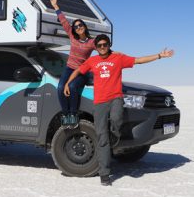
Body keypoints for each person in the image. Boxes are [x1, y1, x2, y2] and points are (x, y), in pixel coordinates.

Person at [64, 34, 174, 186]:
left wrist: (160, 55)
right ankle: (104, 174)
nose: (102, 47)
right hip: (100, 103)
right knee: (102, 139)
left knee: (117, 119)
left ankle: (114, 136)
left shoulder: (118, 58)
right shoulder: (92, 61)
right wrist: (67, 83)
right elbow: (78, 71)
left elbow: (139, 60)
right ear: (96, 48)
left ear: (109, 45)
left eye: (105, 44)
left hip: (115, 98)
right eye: (99, 45)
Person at [50, 0, 94, 128]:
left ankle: (74, 114)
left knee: (74, 87)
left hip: (82, 71)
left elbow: (104, 49)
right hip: (69, 69)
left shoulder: (92, 42)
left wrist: (116, 56)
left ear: (84, 27)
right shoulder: (73, 37)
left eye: (80, 25)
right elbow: (64, 21)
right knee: (60, 88)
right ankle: (66, 114)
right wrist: (56, 7)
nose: (78, 27)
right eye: (76, 26)